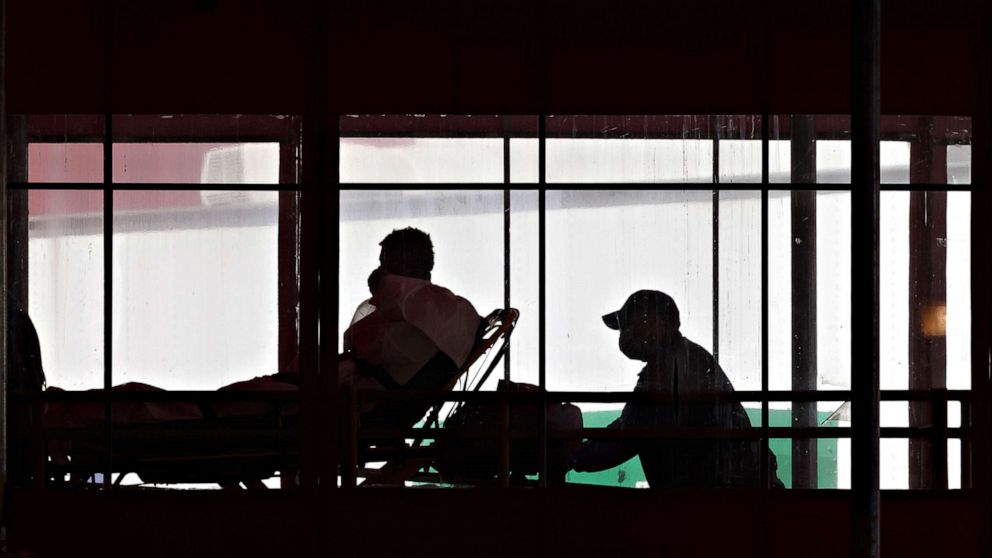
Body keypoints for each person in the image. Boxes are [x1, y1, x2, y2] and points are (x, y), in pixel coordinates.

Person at [570, 290, 783, 489]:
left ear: (657, 324)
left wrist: (571, 456)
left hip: (719, 503)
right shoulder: (686, 357)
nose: (625, 335)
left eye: (630, 325)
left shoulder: (667, 370)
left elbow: (630, 433)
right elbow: (632, 424)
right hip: (737, 493)